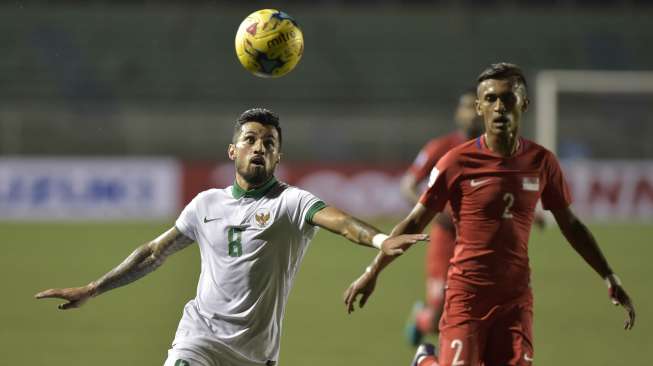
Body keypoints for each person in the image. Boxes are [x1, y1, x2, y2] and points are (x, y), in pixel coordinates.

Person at [35, 108, 426, 366]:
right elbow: (154, 252)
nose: (259, 147)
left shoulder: (290, 202)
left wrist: (377, 241)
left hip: (256, 354)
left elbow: (341, 221)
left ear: (278, 157)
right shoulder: (205, 204)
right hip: (199, 340)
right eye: (251, 140)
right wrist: (93, 287)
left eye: (268, 143)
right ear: (233, 150)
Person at [343, 63, 635, 366]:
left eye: (507, 98)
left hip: (515, 300)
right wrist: (372, 271)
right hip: (467, 296)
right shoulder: (455, 161)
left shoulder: (542, 162)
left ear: (524, 103)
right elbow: (415, 220)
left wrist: (609, 276)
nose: (499, 107)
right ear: (480, 107)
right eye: (491, 99)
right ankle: (425, 360)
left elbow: (571, 225)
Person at [399, 89, 484, 346]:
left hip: (481, 242)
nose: (473, 113)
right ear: (459, 113)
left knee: (476, 316)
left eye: (477, 107)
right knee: (438, 319)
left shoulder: (498, 150)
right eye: (468, 106)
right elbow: (407, 185)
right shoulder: (441, 147)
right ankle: (421, 318)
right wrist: (433, 209)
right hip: (445, 240)